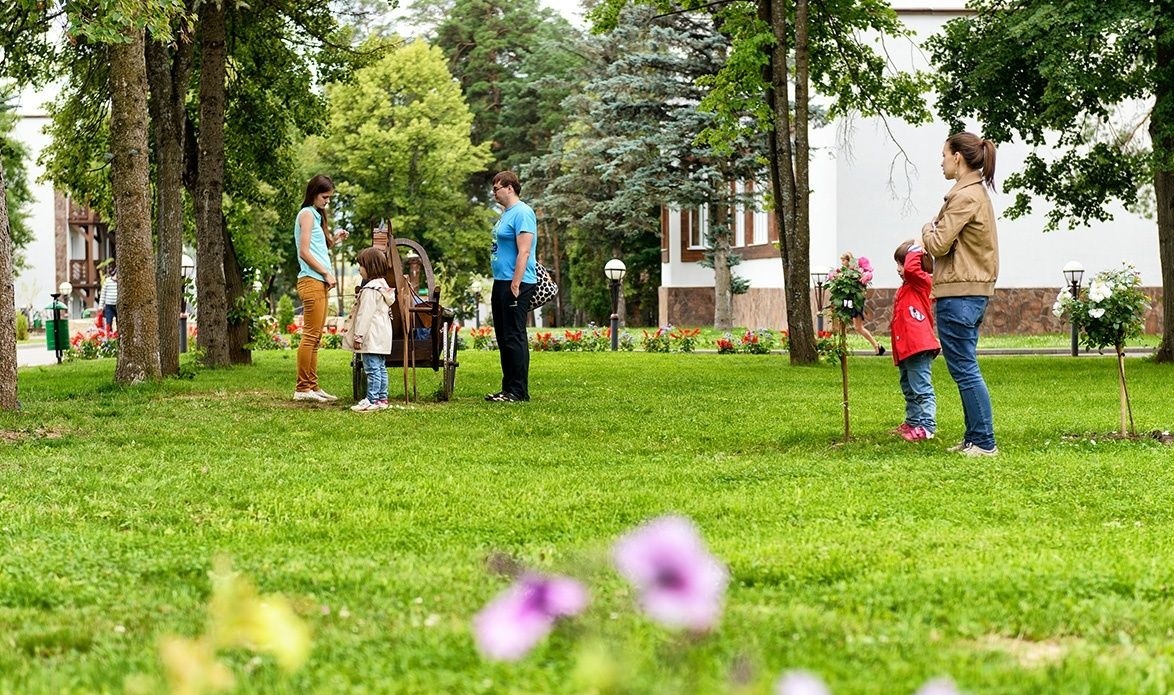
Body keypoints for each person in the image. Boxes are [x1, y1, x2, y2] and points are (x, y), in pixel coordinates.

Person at [920, 132, 1000, 457]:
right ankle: (974, 438)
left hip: (960, 293)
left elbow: (937, 243)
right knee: (964, 366)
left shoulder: (965, 196)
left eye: (943, 155)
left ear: (957, 158)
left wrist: (927, 228)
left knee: (965, 368)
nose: (940, 162)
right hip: (968, 291)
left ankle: (984, 442)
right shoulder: (973, 194)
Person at [293, 174, 349, 403]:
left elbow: (317, 247)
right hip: (311, 280)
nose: (327, 201)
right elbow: (304, 252)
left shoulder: (316, 216)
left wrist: (334, 239)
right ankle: (302, 388)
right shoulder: (306, 214)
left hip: (319, 282)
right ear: (314, 193)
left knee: (316, 337)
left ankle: (312, 386)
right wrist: (326, 272)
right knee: (310, 336)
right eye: (325, 196)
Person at [486, 171, 537, 403]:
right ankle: (507, 389)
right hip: (501, 281)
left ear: (510, 188)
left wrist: (516, 282)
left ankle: (518, 391)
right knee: (504, 336)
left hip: (517, 283)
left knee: (515, 336)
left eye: (496, 188)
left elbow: (524, 250)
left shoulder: (523, 213)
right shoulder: (505, 214)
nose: (494, 192)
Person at [889, 240, 940, 442]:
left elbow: (911, 269)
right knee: (909, 388)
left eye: (901, 263)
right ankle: (913, 422)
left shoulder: (923, 282)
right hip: (906, 348)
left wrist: (916, 249)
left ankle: (927, 427)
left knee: (921, 388)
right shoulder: (907, 287)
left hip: (919, 346)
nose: (899, 269)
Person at [348, 247, 396, 412]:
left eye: (361, 265)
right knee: (381, 368)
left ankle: (372, 399)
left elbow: (364, 315)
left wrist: (358, 336)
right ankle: (382, 399)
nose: (360, 270)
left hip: (371, 336)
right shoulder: (383, 287)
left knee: (372, 369)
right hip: (382, 336)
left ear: (370, 267)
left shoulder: (369, 290)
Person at [838, 252, 885, 355]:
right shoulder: (845, 271)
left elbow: (860, 283)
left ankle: (877, 346)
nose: (841, 263)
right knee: (844, 322)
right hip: (848, 300)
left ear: (848, 260)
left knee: (858, 327)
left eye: (843, 260)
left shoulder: (856, 270)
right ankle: (842, 347)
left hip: (856, 301)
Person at [98, 267, 118, 333]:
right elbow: (103, 294)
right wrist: (100, 306)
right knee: (108, 322)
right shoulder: (107, 281)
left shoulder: (121, 283)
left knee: (120, 323)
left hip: (118, 305)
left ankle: (118, 337)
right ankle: (109, 337)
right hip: (109, 306)